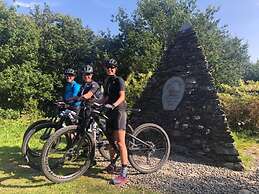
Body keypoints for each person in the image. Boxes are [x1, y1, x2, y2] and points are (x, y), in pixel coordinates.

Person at [102, 58, 128, 185]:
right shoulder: (106, 81)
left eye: (112, 67)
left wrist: (113, 105)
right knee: (111, 141)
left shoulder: (119, 80)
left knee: (120, 143)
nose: (110, 69)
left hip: (119, 111)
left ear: (115, 69)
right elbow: (105, 97)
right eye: (108, 67)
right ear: (105, 68)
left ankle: (124, 173)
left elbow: (122, 96)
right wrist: (95, 103)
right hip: (110, 112)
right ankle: (112, 164)